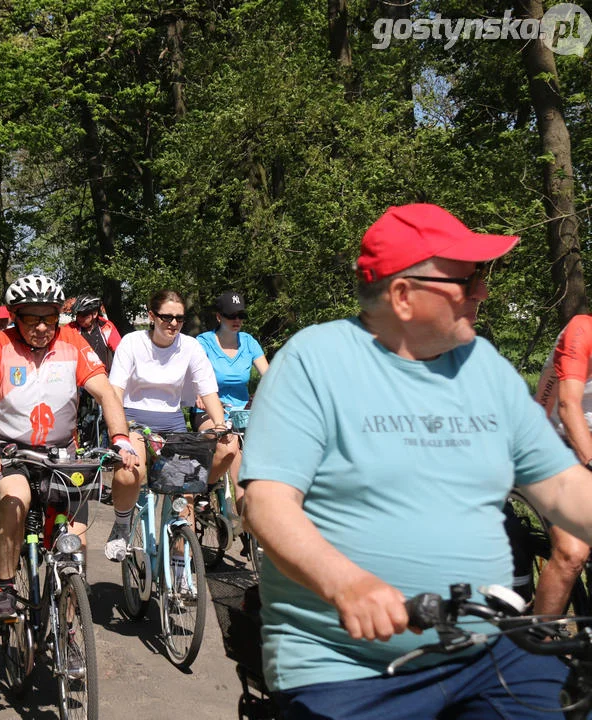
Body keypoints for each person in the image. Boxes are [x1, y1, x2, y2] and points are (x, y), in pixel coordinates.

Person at [240, 203, 592, 718]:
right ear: (403, 295)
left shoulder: (485, 368)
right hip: (349, 668)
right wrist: (348, 584)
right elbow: (266, 504)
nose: (482, 293)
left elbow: (562, 488)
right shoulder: (314, 362)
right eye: (467, 283)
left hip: (490, 652)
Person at [0, 274, 139, 619]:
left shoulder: (73, 341)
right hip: (12, 450)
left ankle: (69, 631)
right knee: (16, 502)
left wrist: (120, 438)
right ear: (16, 316)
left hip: (62, 452)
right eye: (32, 318)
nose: (42, 327)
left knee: (76, 545)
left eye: (50, 317)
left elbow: (105, 392)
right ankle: (5, 588)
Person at [104, 289, 231, 564]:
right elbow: (114, 390)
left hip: (173, 423)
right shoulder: (132, 342)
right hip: (133, 421)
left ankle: (179, 568)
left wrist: (219, 425)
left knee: (184, 493)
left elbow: (208, 390)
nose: (173, 323)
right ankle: (122, 524)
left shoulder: (190, 346)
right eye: (166, 317)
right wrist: (119, 431)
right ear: (152, 316)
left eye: (179, 318)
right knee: (128, 472)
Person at [532, 315, 592, 617]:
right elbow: (568, 407)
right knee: (572, 552)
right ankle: (537, 647)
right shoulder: (582, 329)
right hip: (551, 446)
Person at [193, 290, 269, 505]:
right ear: (219, 317)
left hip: (242, 414)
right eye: (231, 316)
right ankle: (204, 488)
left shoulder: (249, 342)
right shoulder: (203, 342)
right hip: (209, 410)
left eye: (241, 315)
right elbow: (192, 374)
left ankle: (251, 526)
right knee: (231, 445)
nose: (237, 320)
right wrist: (197, 393)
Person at [67, 294, 121, 370]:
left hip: (103, 375)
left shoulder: (107, 327)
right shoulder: (70, 329)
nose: (79, 318)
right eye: (78, 314)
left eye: (83, 315)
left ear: (95, 314)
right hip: (79, 377)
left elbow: (120, 351)